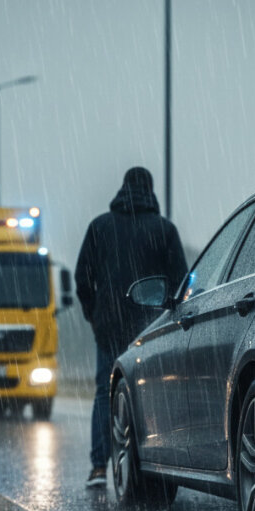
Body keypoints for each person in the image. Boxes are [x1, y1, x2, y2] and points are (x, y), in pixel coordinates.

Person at [75, 167, 188, 488]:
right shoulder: (164, 230)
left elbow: (83, 278)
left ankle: (99, 467)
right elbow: (180, 281)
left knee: (103, 392)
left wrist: (94, 314)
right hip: (149, 325)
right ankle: (156, 461)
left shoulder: (100, 227)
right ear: (150, 190)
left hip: (108, 325)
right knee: (152, 390)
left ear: (122, 188)